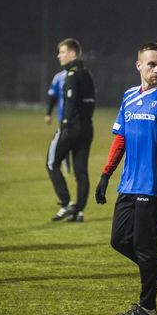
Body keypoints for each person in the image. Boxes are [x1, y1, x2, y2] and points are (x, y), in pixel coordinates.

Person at [95, 42, 157, 315]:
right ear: (139, 65)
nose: (156, 70)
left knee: (145, 247)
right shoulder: (128, 96)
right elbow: (120, 139)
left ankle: (147, 306)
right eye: (151, 64)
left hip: (154, 185)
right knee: (119, 240)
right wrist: (105, 174)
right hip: (128, 183)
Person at [46, 38, 95, 223]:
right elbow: (91, 102)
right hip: (87, 128)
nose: (59, 56)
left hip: (70, 128)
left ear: (73, 54)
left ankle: (66, 204)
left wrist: (65, 124)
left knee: (51, 163)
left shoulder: (71, 75)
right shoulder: (87, 74)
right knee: (81, 170)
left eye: (62, 52)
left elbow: (70, 103)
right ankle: (79, 211)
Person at [45, 69, 71, 175]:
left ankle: (71, 166)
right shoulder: (59, 77)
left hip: (78, 117)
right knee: (65, 139)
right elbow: (53, 96)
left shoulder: (81, 74)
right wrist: (49, 113)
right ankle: (66, 164)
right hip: (63, 116)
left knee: (73, 141)